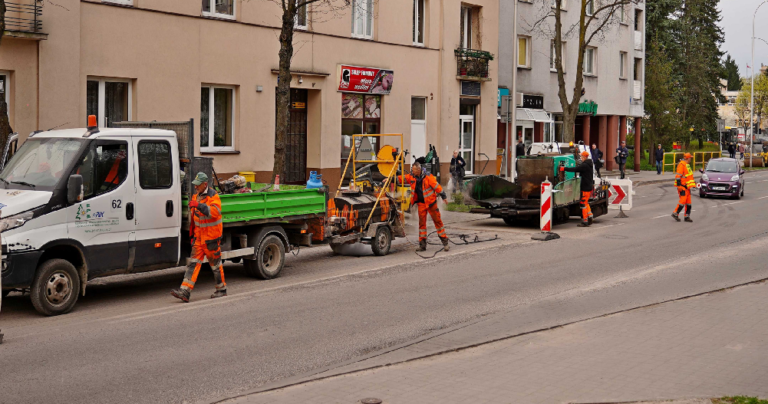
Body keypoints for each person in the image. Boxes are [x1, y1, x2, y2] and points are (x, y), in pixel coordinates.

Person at [171, 172, 227, 302]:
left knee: (215, 265)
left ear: (205, 184)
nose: (195, 187)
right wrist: (192, 235)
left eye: (198, 185)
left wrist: (199, 206)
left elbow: (215, 212)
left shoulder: (213, 196)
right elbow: (194, 220)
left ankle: (221, 289)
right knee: (193, 264)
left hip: (211, 238)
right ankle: (185, 291)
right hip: (199, 238)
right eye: (195, 185)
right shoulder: (196, 197)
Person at [401, 162, 450, 252]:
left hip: (431, 204)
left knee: (438, 222)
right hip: (421, 204)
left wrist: (444, 197)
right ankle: (422, 245)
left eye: (413, 170)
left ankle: (445, 242)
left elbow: (437, 187)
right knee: (422, 224)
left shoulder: (428, 177)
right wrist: (391, 179)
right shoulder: (412, 176)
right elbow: (402, 178)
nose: (412, 171)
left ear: (418, 170)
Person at [561, 151, 595, 227]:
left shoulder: (585, 165)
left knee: (583, 204)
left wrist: (564, 168)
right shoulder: (589, 164)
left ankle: (585, 221)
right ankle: (590, 216)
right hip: (588, 187)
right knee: (586, 202)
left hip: (585, 187)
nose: (580, 158)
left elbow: (575, 169)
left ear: (584, 157)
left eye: (581, 157)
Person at [672, 153, 696, 223]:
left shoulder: (687, 165)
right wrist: (679, 186)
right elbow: (678, 176)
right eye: (690, 158)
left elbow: (689, 177)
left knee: (688, 203)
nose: (691, 159)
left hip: (687, 188)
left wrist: (694, 184)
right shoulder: (682, 164)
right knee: (682, 201)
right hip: (682, 187)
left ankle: (687, 216)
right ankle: (675, 213)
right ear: (687, 158)